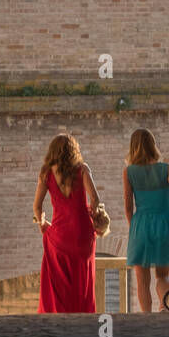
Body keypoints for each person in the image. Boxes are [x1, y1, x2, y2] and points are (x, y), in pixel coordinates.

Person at [124, 128, 169, 312]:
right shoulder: (166, 169)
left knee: (142, 281)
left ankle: (147, 316)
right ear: (153, 146)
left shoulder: (129, 172)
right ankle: (165, 307)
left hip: (141, 224)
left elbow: (129, 208)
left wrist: (135, 228)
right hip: (164, 224)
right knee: (162, 276)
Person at [34, 133, 101, 313]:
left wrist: (43, 225)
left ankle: (60, 318)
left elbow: (37, 207)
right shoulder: (82, 169)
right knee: (82, 280)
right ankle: (82, 317)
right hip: (82, 234)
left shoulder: (46, 173)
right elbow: (95, 199)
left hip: (60, 235)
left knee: (60, 284)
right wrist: (95, 217)